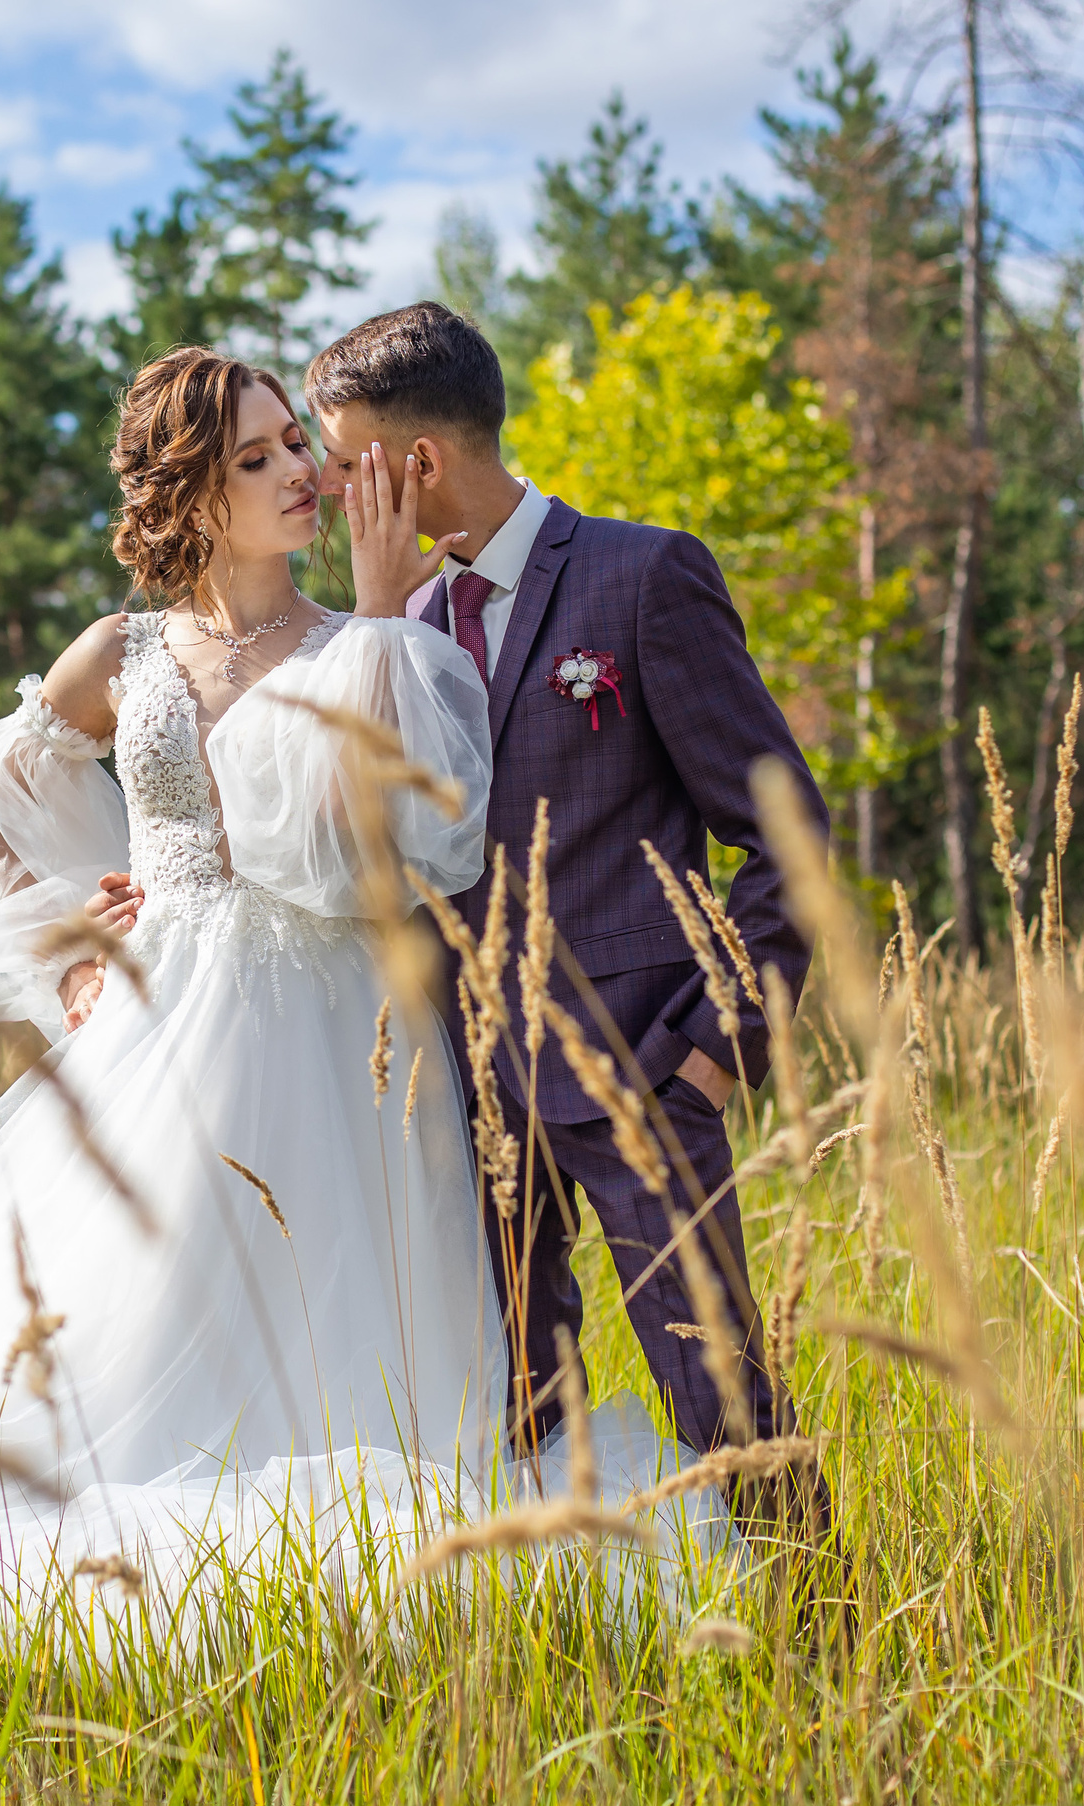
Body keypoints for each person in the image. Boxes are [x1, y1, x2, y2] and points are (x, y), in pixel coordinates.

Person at [0, 346, 720, 1616]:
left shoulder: (386, 636)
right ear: (192, 493)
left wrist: (369, 604)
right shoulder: (124, 651)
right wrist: (66, 939)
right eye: (256, 458)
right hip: (168, 1020)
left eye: (295, 444)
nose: (300, 470)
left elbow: (406, 849)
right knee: (139, 1305)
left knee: (353, 1319)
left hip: (349, 1027)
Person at [294, 302, 831, 1534]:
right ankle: (591, 1647)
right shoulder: (404, 632)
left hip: (641, 1072)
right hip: (468, 1109)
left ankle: (828, 1637)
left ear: (415, 462)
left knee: (726, 1404)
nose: (327, 486)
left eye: (342, 456)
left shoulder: (642, 575)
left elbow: (783, 835)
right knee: (512, 1415)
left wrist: (709, 1058)